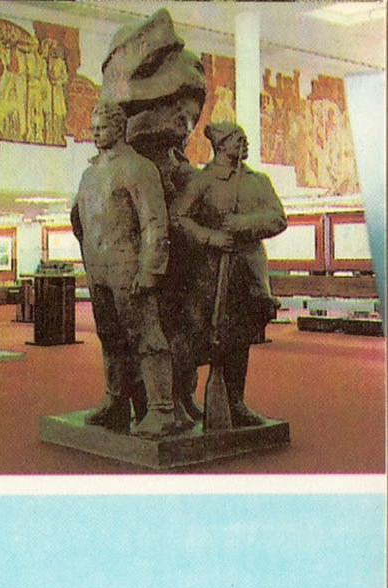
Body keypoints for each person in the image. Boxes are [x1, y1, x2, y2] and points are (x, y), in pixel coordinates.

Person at [70, 101, 181, 438]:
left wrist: (150, 269)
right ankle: (116, 400)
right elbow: (80, 222)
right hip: (99, 267)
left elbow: (153, 221)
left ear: (119, 128)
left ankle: (162, 409)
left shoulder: (137, 167)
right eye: (93, 127)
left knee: (147, 336)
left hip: (129, 265)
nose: (95, 133)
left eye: (101, 127)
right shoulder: (90, 173)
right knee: (110, 337)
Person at [170, 120, 286, 428]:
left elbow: (277, 219)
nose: (244, 143)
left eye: (244, 139)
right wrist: (210, 236)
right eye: (238, 139)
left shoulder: (258, 181)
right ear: (220, 146)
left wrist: (242, 224)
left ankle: (235, 402)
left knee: (239, 339)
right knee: (194, 335)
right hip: (208, 272)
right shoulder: (203, 181)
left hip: (246, 272)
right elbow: (178, 217)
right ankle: (177, 398)